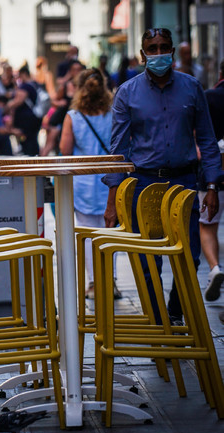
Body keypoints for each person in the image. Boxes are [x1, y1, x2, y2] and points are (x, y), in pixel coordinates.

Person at [102, 28, 221, 325]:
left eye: (163, 47)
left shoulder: (192, 88)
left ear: (172, 51)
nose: (158, 53)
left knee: (190, 256)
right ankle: (159, 323)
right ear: (143, 54)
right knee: (147, 260)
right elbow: (118, 149)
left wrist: (212, 186)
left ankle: (175, 310)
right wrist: (113, 199)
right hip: (143, 185)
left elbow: (207, 139)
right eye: (152, 48)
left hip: (184, 182)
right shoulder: (127, 92)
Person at [59, 68, 120, 298]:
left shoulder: (73, 117)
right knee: (109, 233)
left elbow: (65, 150)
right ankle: (111, 282)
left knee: (86, 235)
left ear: (79, 88)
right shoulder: (113, 113)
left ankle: (94, 285)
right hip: (110, 183)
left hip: (83, 184)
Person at [200, 59, 224, 304]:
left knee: (208, 223)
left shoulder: (210, 97)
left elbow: (202, 135)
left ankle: (215, 268)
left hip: (214, 172)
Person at [7, 65, 43, 156]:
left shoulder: (25, 86)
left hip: (26, 120)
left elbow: (18, 101)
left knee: (27, 143)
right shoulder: (35, 84)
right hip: (35, 117)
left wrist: (8, 106)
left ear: (23, 74)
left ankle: (29, 159)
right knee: (33, 141)